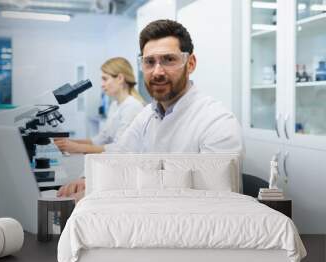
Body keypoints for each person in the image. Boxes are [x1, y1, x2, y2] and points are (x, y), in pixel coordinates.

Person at [57, 19, 244, 201]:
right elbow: (119, 154)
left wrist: (112, 193)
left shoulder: (218, 122)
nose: (157, 72)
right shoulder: (148, 115)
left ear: (191, 63)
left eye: (169, 60)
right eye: (149, 62)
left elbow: (213, 200)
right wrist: (87, 180)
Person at [54, 57, 144, 154]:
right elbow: (101, 139)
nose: (102, 85)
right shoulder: (115, 105)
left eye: (105, 79)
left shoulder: (132, 107)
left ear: (120, 78)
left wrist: (77, 147)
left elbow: (120, 149)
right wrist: (68, 143)